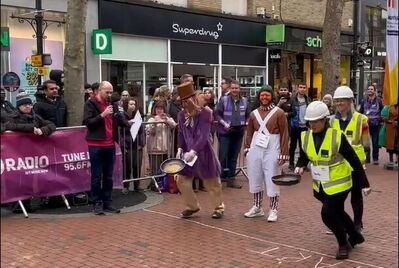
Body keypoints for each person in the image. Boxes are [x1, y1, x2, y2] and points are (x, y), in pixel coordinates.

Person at [294, 101, 371, 260]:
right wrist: (300, 166)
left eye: (316, 121)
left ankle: (344, 244)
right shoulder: (306, 136)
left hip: (339, 183)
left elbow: (353, 159)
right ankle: (355, 235)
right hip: (321, 184)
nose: (312, 124)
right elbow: (304, 156)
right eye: (310, 121)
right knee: (337, 212)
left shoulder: (336, 136)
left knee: (327, 214)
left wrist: (364, 184)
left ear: (325, 120)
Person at [175, 81, 225, 219]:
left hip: (203, 152)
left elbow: (203, 135)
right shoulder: (181, 115)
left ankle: (218, 207)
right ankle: (192, 206)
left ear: (194, 98)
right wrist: (180, 148)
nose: (184, 104)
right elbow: (181, 133)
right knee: (181, 180)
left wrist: (194, 151)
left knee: (212, 181)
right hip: (187, 153)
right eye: (182, 101)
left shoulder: (206, 113)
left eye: (187, 100)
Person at [2, 91, 56, 213]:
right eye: (24, 104)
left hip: (33, 154)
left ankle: (27, 204)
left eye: (29, 104)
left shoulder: (36, 117)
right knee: (17, 180)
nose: (28, 106)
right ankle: (16, 205)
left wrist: (43, 130)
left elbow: (52, 125)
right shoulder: (11, 117)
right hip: (16, 155)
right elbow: (10, 126)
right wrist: (32, 129)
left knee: (31, 179)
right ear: (19, 106)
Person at [243, 85, 289, 222]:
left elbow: (284, 133)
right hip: (256, 147)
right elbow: (249, 132)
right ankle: (257, 207)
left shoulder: (279, 113)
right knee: (255, 176)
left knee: (272, 178)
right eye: (262, 95)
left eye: (267, 95)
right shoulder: (253, 113)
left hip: (272, 146)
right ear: (259, 97)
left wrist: (283, 153)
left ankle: (273, 209)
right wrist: (247, 148)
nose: (264, 97)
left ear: (271, 96)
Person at [331, 86, 370, 232]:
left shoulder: (361, 120)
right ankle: (341, 222)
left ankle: (357, 224)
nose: (339, 103)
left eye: (342, 100)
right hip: (339, 164)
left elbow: (366, 143)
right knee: (338, 196)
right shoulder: (331, 121)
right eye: (337, 101)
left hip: (355, 164)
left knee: (356, 196)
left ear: (350, 101)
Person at [82, 81, 121, 215]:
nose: (109, 95)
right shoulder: (90, 103)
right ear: (99, 91)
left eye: (111, 92)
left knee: (109, 176)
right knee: (96, 176)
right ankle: (96, 203)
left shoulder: (112, 104)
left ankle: (107, 202)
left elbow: (117, 122)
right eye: (107, 92)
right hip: (96, 145)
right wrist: (102, 115)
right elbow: (88, 122)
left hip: (109, 144)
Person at [215, 80, 250, 188]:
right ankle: (218, 179)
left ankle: (231, 179)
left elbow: (248, 115)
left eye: (236, 88)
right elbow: (217, 114)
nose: (235, 90)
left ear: (239, 89)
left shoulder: (245, 101)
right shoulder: (224, 100)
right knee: (223, 156)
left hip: (238, 132)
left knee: (234, 157)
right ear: (230, 89)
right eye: (233, 88)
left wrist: (247, 122)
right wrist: (224, 124)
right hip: (225, 132)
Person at [116, 97, 145, 194]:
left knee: (137, 166)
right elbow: (120, 133)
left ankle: (137, 186)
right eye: (130, 104)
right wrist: (123, 146)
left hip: (137, 146)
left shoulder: (138, 116)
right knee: (127, 167)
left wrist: (141, 143)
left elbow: (141, 132)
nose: (133, 106)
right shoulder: (121, 116)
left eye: (134, 104)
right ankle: (126, 186)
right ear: (126, 105)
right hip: (127, 146)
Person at [145, 100, 176, 178]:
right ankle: (154, 185)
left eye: (161, 108)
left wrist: (166, 120)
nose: (159, 110)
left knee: (164, 169)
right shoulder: (151, 119)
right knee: (155, 169)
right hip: (154, 149)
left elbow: (174, 125)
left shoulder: (167, 118)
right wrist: (155, 122)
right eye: (157, 108)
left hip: (165, 148)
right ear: (154, 109)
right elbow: (150, 131)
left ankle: (163, 185)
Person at [288, 82, 311, 170]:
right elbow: (288, 111)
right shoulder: (292, 99)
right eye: (300, 87)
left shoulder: (308, 100)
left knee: (303, 147)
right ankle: (291, 163)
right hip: (294, 126)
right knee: (292, 146)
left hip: (304, 126)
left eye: (304, 87)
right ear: (298, 88)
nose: (302, 89)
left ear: (306, 89)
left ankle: (301, 164)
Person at [359, 84, 383, 164]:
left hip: (375, 125)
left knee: (375, 142)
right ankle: (367, 158)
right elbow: (361, 112)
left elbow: (382, 111)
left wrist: (380, 119)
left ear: (374, 91)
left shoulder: (379, 101)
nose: (370, 90)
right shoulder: (363, 101)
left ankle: (375, 158)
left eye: (371, 89)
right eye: (369, 89)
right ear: (367, 91)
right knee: (366, 143)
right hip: (366, 125)